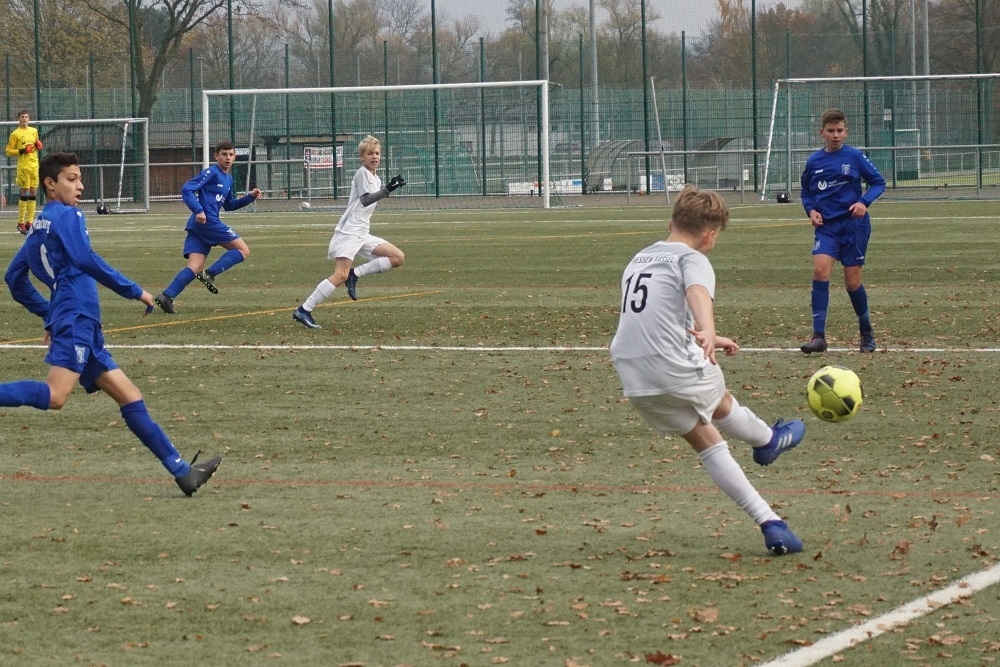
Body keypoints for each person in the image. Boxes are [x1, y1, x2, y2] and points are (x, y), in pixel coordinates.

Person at [2, 152, 221, 496]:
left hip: (76, 319)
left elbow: (14, 278)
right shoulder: (68, 215)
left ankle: (183, 473)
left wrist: (49, 314)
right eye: (71, 179)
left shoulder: (40, 225)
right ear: (50, 184)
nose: (80, 185)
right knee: (56, 396)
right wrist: (135, 291)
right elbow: (84, 259)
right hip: (78, 317)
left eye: (79, 178)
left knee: (129, 395)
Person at [610, 185, 806, 556]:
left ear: (670, 223)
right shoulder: (693, 258)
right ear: (710, 235)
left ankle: (772, 524)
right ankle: (767, 440)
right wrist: (708, 328)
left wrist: (710, 336)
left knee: (706, 439)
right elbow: (697, 292)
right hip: (672, 365)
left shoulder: (641, 257)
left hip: (632, 373)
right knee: (720, 402)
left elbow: (659, 314)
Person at [292, 134, 406, 329]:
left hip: (361, 232)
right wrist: (388, 189)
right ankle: (304, 309)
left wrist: (386, 188)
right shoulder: (362, 173)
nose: (374, 156)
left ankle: (355, 274)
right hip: (349, 232)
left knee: (397, 257)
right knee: (340, 275)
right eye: (370, 153)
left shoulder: (375, 178)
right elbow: (365, 200)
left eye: (377, 153)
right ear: (362, 157)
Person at [799, 108, 886, 354]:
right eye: (831, 131)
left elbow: (879, 182)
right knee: (820, 270)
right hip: (827, 228)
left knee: (852, 282)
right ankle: (818, 337)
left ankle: (866, 331)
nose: (835, 135)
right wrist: (810, 210)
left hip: (854, 227)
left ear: (846, 132)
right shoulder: (814, 162)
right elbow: (806, 192)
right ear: (822, 133)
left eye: (839, 131)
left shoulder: (854, 156)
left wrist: (863, 202)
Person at [154, 140, 260, 314]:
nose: (227, 158)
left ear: (235, 157)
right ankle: (210, 274)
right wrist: (198, 210)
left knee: (195, 266)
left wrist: (249, 197)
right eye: (224, 154)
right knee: (243, 250)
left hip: (199, 226)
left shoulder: (228, 179)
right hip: (207, 221)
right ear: (216, 156)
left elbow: (229, 205)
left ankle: (167, 296)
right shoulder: (211, 172)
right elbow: (187, 189)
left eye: (231, 154)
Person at [5, 110, 43, 235]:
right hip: (24, 167)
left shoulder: (34, 131)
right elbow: (8, 151)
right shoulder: (15, 134)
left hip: (34, 166)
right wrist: (22, 150)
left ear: (28, 119)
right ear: (18, 119)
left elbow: (36, 145)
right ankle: (20, 223)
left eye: (26, 117)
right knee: (25, 193)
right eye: (22, 117)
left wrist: (38, 145)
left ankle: (29, 222)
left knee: (33, 193)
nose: (24, 119)